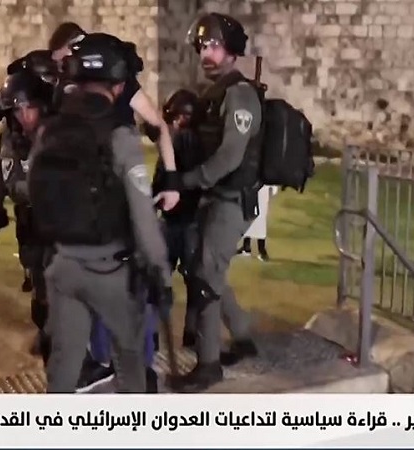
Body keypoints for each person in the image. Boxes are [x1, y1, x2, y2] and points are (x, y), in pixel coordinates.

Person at [27, 32, 173, 393]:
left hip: (62, 268)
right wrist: (160, 271)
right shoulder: (121, 136)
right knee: (131, 361)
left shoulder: (48, 130)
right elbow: (143, 216)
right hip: (111, 271)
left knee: (63, 369)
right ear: (118, 85)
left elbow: (33, 190)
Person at [170, 13, 264, 392]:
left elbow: (229, 157)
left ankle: (208, 365)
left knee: (207, 277)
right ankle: (243, 338)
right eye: (202, 47)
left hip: (231, 200)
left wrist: (188, 181)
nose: (206, 54)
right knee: (202, 268)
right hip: (214, 196)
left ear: (232, 51)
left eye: (214, 46)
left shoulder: (239, 95)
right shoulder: (216, 94)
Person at [0, 70, 55, 364]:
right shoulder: (9, 134)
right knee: (37, 279)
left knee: (56, 280)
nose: (24, 115)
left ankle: (60, 338)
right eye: (18, 110)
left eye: (30, 108)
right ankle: (45, 331)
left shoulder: (55, 134)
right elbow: (0, 169)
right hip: (27, 219)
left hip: (54, 219)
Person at [148, 89, 204, 348]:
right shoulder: (198, 144)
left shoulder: (179, 142)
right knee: (190, 282)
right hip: (187, 221)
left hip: (177, 222)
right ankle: (188, 335)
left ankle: (156, 335)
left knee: (161, 280)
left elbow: (162, 180)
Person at [237, 185, 278, 261]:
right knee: (249, 215)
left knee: (260, 220)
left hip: (262, 192)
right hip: (251, 191)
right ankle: (246, 247)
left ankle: (261, 250)